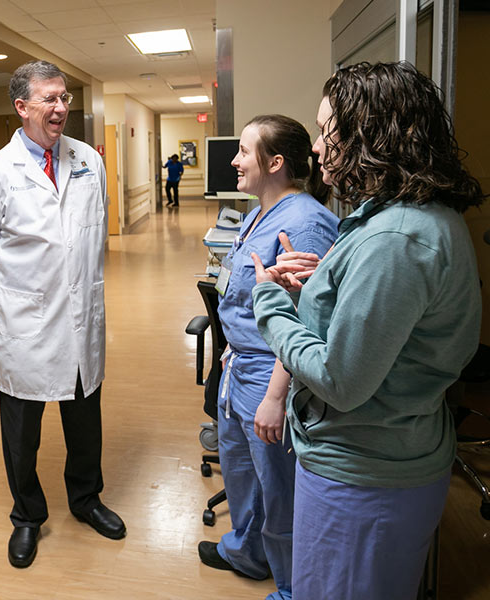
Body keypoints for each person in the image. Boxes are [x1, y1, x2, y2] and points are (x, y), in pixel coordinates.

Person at [250, 62, 485, 600]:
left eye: (327, 131)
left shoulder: (397, 239)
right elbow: (385, 328)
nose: (319, 150)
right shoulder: (404, 218)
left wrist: (271, 304)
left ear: (368, 134)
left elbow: (342, 379)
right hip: (379, 457)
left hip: (364, 474)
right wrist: (322, 290)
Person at [0, 60, 125, 569]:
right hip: (27, 329)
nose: (61, 108)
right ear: (22, 107)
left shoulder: (87, 161)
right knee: (22, 434)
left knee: (84, 422)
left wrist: (75, 289)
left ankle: (85, 499)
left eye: (64, 99)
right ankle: (27, 516)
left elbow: (93, 237)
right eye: (49, 100)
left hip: (81, 320)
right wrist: (24, 297)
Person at [197, 115, 339, 600]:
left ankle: (293, 587)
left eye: (243, 151)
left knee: (279, 490)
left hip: (271, 373)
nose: (234, 160)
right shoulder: (260, 210)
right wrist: (231, 348)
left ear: (275, 163)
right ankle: (247, 552)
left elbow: (306, 321)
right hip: (240, 364)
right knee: (241, 474)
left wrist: (276, 396)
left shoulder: (306, 223)